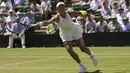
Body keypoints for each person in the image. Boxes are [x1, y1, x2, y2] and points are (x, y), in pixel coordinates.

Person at [37, 2, 97, 73]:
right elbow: (48, 22)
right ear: (57, 9)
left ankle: (91, 56)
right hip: (65, 33)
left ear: (65, 7)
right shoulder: (56, 17)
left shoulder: (70, 13)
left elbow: (80, 13)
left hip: (74, 29)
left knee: (82, 48)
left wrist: (89, 15)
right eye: (60, 7)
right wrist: (40, 23)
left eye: (62, 6)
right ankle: (82, 66)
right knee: (69, 50)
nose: (61, 8)